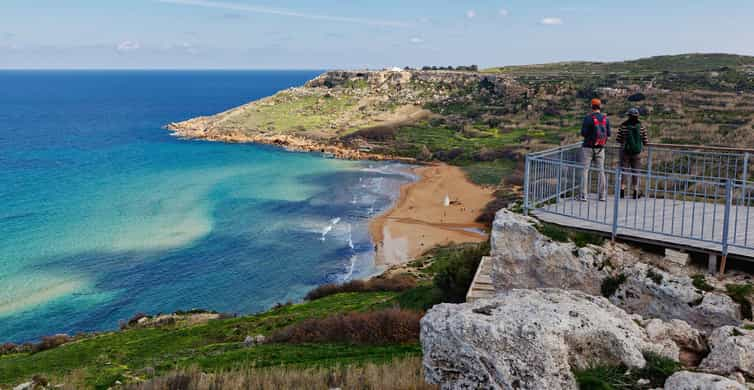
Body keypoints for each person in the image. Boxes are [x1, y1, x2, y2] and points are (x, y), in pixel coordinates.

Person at [580, 98, 611, 201]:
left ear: (591, 106)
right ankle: (602, 195)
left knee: (585, 171)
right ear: (600, 106)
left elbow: (583, 133)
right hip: (600, 149)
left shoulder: (588, 118)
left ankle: (584, 195)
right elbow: (609, 134)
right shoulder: (605, 119)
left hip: (588, 147)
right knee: (601, 171)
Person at [616, 107, 649, 198]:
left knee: (624, 171)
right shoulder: (641, 126)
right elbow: (645, 141)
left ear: (628, 116)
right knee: (636, 172)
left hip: (625, 152)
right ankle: (635, 192)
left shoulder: (623, 126)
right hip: (637, 153)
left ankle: (622, 191)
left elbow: (618, 139)